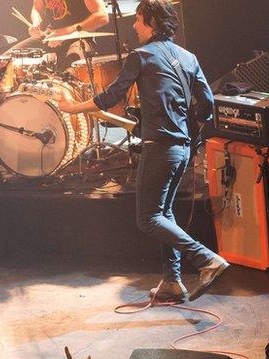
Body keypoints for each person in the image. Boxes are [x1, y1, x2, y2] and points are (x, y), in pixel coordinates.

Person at [59, 0, 228, 302]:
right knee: (164, 214)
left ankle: (206, 260)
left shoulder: (143, 56)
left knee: (148, 218)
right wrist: (193, 128)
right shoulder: (188, 57)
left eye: (137, 20)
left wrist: (72, 107)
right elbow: (207, 104)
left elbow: (111, 96)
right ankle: (173, 282)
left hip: (159, 149)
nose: (134, 26)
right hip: (183, 149)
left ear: (150, 20)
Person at [29, 0, 110, 69]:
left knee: (72, 63)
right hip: (52, 35)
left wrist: (64, 32)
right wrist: (36, 23)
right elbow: (37, 8)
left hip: (79, 38)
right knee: (18, 59)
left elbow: (102, 17)